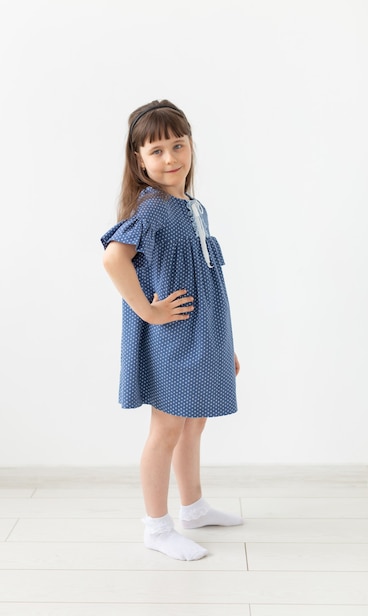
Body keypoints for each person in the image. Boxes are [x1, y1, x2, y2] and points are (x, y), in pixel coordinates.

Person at [101, 99, 242, 561]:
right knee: (167, 428)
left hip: (203, 334)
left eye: (177, 145)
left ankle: (194, 506)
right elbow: (113, 258)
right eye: (156, 151)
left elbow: (206, 276)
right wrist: (148, 311)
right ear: (138, 160)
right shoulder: (155, 208)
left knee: (194, 421)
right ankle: (156, 528)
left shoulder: (190, 205)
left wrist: (225, 345)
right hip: (175, 336)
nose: (170, 159)